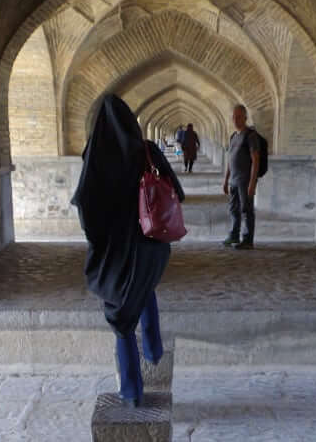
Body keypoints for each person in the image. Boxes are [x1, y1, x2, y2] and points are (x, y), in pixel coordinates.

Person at [70, 94, 185, 407]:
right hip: (151, 245)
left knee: (120, 318)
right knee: (144, 286)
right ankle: (153, 347)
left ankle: (132, 391)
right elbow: (178, 193)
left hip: (117, 251)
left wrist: (99, 241)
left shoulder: (95, 158)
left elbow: (86, 207)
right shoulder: (147, 150)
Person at [222, 104, 260, 250]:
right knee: (233, 209)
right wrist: (226, 180)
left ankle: (248, 240)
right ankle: (234, 235)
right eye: (233, 117)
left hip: (245, 181)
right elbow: (230, 161)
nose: (235, 120)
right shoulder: (233, 136)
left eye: (238, 117)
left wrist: (252, 183)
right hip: (233, 181)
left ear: (245, 117)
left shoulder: (251, 136)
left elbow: (256, 160)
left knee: (247, 210)